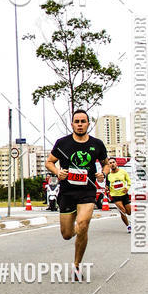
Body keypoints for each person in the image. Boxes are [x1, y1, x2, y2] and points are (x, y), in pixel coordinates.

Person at [45, 110, 109, 280]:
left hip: (87, 192)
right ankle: (77, 231)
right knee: (67, 234)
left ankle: (76, 265)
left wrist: (103, 173)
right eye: (77, 121)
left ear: (88, 124)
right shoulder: (62, 143)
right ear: (72, 124)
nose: (80, 124)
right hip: (67, 192)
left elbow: (106, 164)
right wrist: (58, 172)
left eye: (83, 121)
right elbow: (49, 162)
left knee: (83, 224)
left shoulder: (97, 144)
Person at [106, 158, 132, 232]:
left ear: (116, 163)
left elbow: (129, 181)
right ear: (109, 165)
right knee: (122, 211)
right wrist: (107, 189)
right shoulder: (108, 175)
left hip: (124, 194)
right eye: (110, 163)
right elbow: (107, 186)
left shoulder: (123, 172)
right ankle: (128, 226)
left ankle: (128, 219)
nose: (112, 164)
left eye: (113, 162)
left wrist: (127, 187)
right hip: (115, 195)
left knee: (129, 212)